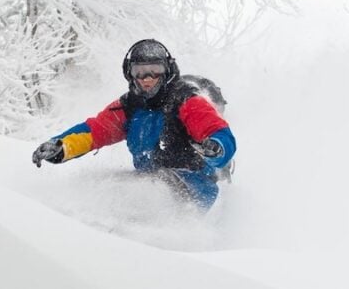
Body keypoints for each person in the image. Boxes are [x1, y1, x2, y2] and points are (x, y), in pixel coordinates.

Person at [31, 39, 236, 209]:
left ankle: (166, 239)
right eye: (140, 72)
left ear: (167, 71)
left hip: (196, 189)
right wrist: (61, 146)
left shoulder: (186, 101)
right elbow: (95, 131)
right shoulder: (129, 107)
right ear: (130, 74)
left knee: (154, 186)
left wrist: (216, 147)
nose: (147, 79)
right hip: (151, 186)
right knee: (109, 182)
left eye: (154, 71)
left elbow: (218, 131)